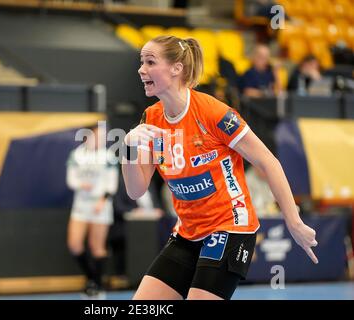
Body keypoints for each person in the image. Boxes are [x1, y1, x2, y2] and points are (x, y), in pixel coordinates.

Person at [122, 35, 318, 300]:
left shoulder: (213, 113)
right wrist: (129, 149)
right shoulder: (152, 119)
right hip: (188, 232)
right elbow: (136, 190)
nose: (141, 69)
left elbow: (267, 161)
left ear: (176, 68)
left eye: (150, 62)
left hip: (230, 227)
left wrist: (293, 222)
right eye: (141, 62)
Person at [66, 124, 118, 298]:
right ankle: (91, 278)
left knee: (96, 247)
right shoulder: (77, 155)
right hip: (81, 205)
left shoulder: (108, 156)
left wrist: (102, 200)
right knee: (75, 244)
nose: (101, 138)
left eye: (103, 136)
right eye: (97, 135)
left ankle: (97, 284)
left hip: (100, 206)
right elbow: (71, 179)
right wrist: (81, 184)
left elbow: (112, 184)